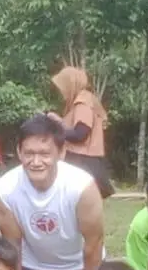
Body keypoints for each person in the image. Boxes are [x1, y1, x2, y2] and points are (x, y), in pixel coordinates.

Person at [0, 114, 104, 270]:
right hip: (31, 261)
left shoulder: (81, 186)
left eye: (45, 154)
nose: (36, 162)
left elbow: (94, 242)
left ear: (61, 153)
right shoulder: (5, 189)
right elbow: (12, 243)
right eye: (29, 153)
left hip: (78, 261)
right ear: (19, 152)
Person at [48, 66, 114, 199]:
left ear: (70, 84)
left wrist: (56, 129)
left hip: (83, 160)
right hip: (83, 160)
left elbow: (80, 135)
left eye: (63, 86)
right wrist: (59, 122)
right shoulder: (81, 102)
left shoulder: (83, 103)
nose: (61, 91)